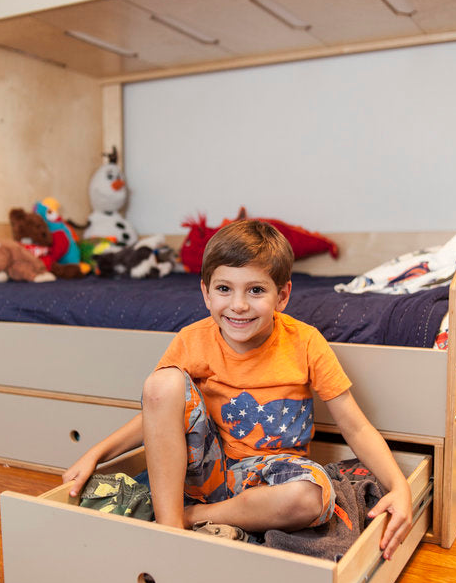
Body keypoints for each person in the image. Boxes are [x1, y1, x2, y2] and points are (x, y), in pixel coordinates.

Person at [63, 219, 412, 560]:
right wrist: (97, 453)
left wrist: (400, 488)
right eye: (224, 289)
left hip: (272, 478)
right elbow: (158, 413)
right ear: (206, 293)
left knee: (312, 497)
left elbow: (356, 426)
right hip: (206, 468)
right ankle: (170, 530)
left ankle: (195, 517)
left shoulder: (305, 343)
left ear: (282, 295)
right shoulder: (191, 340)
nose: (239, 305)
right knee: (162, 382)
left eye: (256, 290)